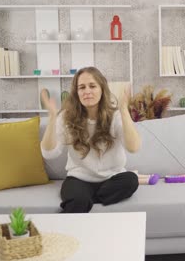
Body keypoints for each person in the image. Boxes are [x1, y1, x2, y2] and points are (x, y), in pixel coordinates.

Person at [40, 67, 141, 213]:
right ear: (77, 93)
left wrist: (124, 110)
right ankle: (83, 200)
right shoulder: (66, 117)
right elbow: (49, 153)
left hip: (112, 179)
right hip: (79, 180)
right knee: (78, 199)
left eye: (92, 86)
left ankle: (87, 198)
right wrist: (52, 118)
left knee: (131, 180)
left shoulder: (115, 115)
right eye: (81, 87)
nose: (87, 91)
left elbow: (134, 147)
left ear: (102, 89)